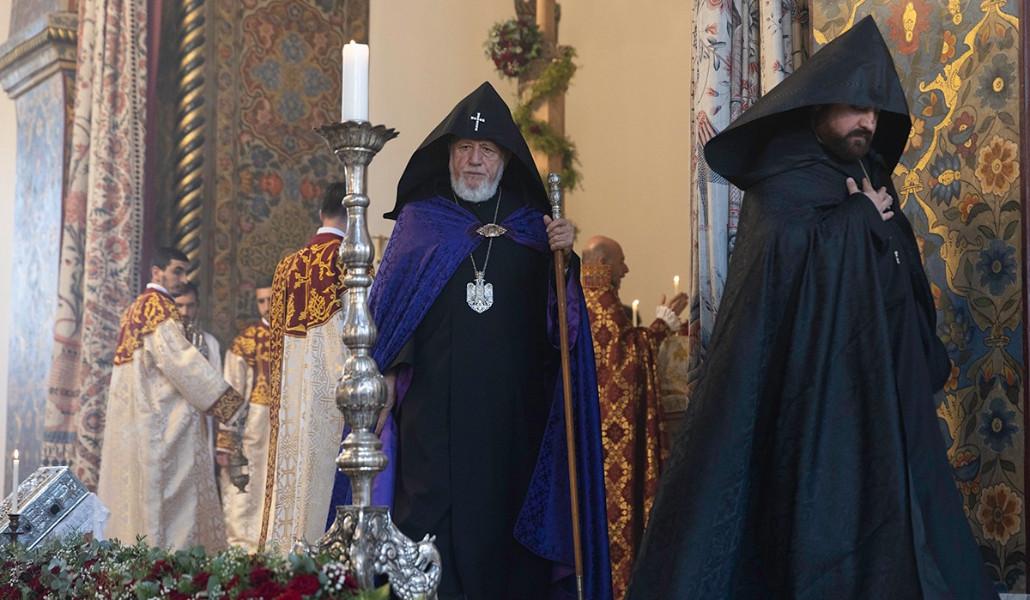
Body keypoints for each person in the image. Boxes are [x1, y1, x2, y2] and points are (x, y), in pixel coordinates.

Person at [627, 17, 998, 599]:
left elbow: (890, 255)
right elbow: (785, 265)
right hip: (812, 395)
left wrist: (874, 231)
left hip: (882, 384)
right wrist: (856, 220)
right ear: (821, 105)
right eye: (855, 108)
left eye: (874, 111)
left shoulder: (866, 173)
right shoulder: (783, 178)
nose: (867, 122)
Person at [349, 81, 612, 600]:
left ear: (505, 160)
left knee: (506, 537)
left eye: (487, 150)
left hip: (513, 420)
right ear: (448, 155)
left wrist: (564, 265)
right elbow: (391, 318)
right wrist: (385, 378)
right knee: (430, 535)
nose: (474, 160)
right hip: (433, 421)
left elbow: (560, 333)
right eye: (465, 148)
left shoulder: (534, 231)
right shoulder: (422, 223)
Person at [97, 247, 244, 551]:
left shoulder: (135, 308)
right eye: (177, 270)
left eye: (185, 272)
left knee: (138, 497)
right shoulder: (158, 307)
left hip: (136, 420)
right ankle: (169, 568)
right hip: (162, 422)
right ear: (157, 272)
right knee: (171, 507)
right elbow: (179, 361)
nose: (183, 278)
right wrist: (228, 402)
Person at [580, 235, 686, 600]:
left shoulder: (584, 298)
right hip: (608, 444)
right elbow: (622, 369)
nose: (626, 269)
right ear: (604, 263)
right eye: (621, 261)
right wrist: (660, 326)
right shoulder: (600, 299)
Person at [258, 183, 349, 550]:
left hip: (293, 394)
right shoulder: (350, 258)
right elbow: (361, 332)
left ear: (320, 213)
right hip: (335, 392)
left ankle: (289, 559)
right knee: (327, 484)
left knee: (296, 483)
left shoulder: (286, 266)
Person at [220, 279, 274, 551]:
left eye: (272, 299)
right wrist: (225, 441)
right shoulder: (245, 341)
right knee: (246, 491)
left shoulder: (297, 336)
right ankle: (244, 551)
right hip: (253, 427)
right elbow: (231, 391)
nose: (267, 306)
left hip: (287, 427)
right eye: (261, 301)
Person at [174, 281, 223, 465]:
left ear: (198, 307)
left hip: (199, 423)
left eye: (190, 306)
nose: (185, 312)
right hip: (169, 424)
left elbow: (218, 391)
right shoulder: (161, 343)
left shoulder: (210, 344)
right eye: (179, 306)